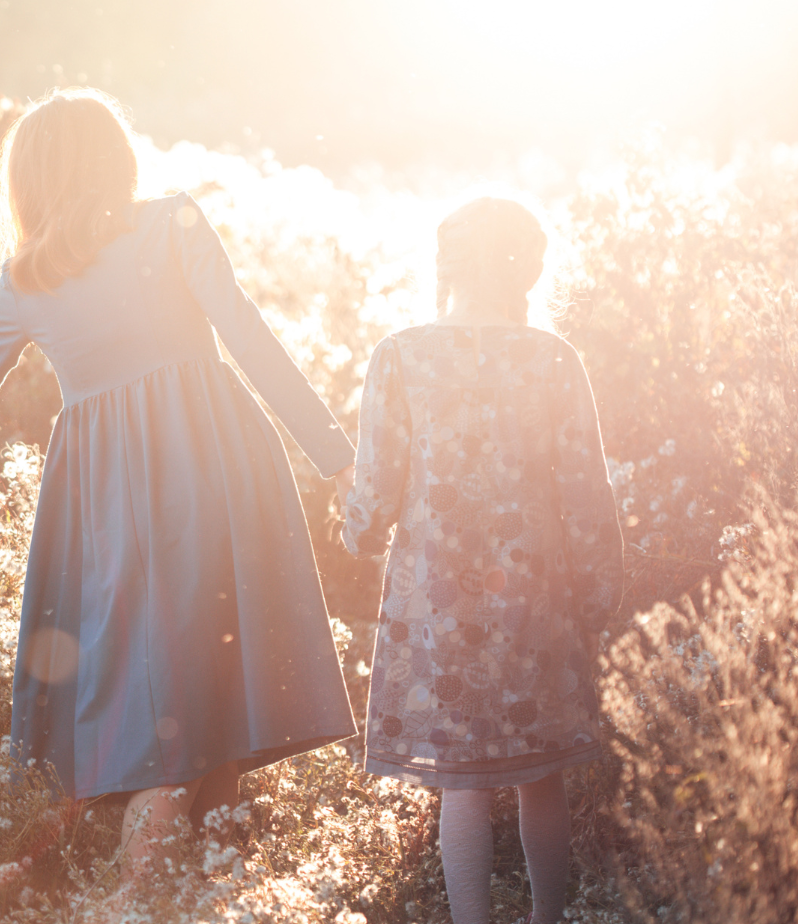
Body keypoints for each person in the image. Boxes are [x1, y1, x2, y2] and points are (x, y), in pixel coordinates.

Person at [0, 88, 358, 880]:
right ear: (116, 157)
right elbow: (249, 335)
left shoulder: (25, 278)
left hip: (104, 495)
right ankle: (156, 889)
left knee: (162, 675)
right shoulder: (169, 222)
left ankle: (184, 885)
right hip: (215, 464)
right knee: (206, 673)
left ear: (29, 180)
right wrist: (334, 454)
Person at [341, 197, 623, 924]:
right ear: (524, 269)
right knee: (543, 773)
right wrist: (597, 595)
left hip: (438, 604)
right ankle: (548, 918)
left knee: (461, 780)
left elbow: (377, 480)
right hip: (539, 598)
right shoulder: (553, 360)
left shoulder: (401, 356)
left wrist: (359, 534)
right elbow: (586, 489)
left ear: (448, 265)